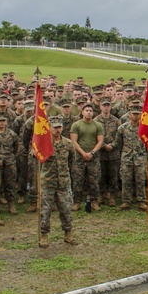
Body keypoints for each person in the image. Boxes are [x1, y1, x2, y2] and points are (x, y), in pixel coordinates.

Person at [39, 116, 76, 247]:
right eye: (55, 127)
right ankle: (43, 235)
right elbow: (35, 156)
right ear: (49, 128)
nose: (58, 130)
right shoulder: (43, 143)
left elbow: (72, 161)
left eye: (59, 127)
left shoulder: (68, 143)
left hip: (64, 183)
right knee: (45, 210)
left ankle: (68, 234)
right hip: (48, 181)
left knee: (66, 209)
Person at [69, 103, 104, 210]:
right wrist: (83, 153)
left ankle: (94, 201)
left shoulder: (98, 125)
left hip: (93, 157)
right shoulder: (76, 125)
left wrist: (92, 153)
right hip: (79, 157)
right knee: (78, 180)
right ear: (82, 112)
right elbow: (74, 141)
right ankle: (76, 201)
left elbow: (100, 141)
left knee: (94, 180)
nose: (89, 112)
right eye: (86, 110)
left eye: (90, 111)